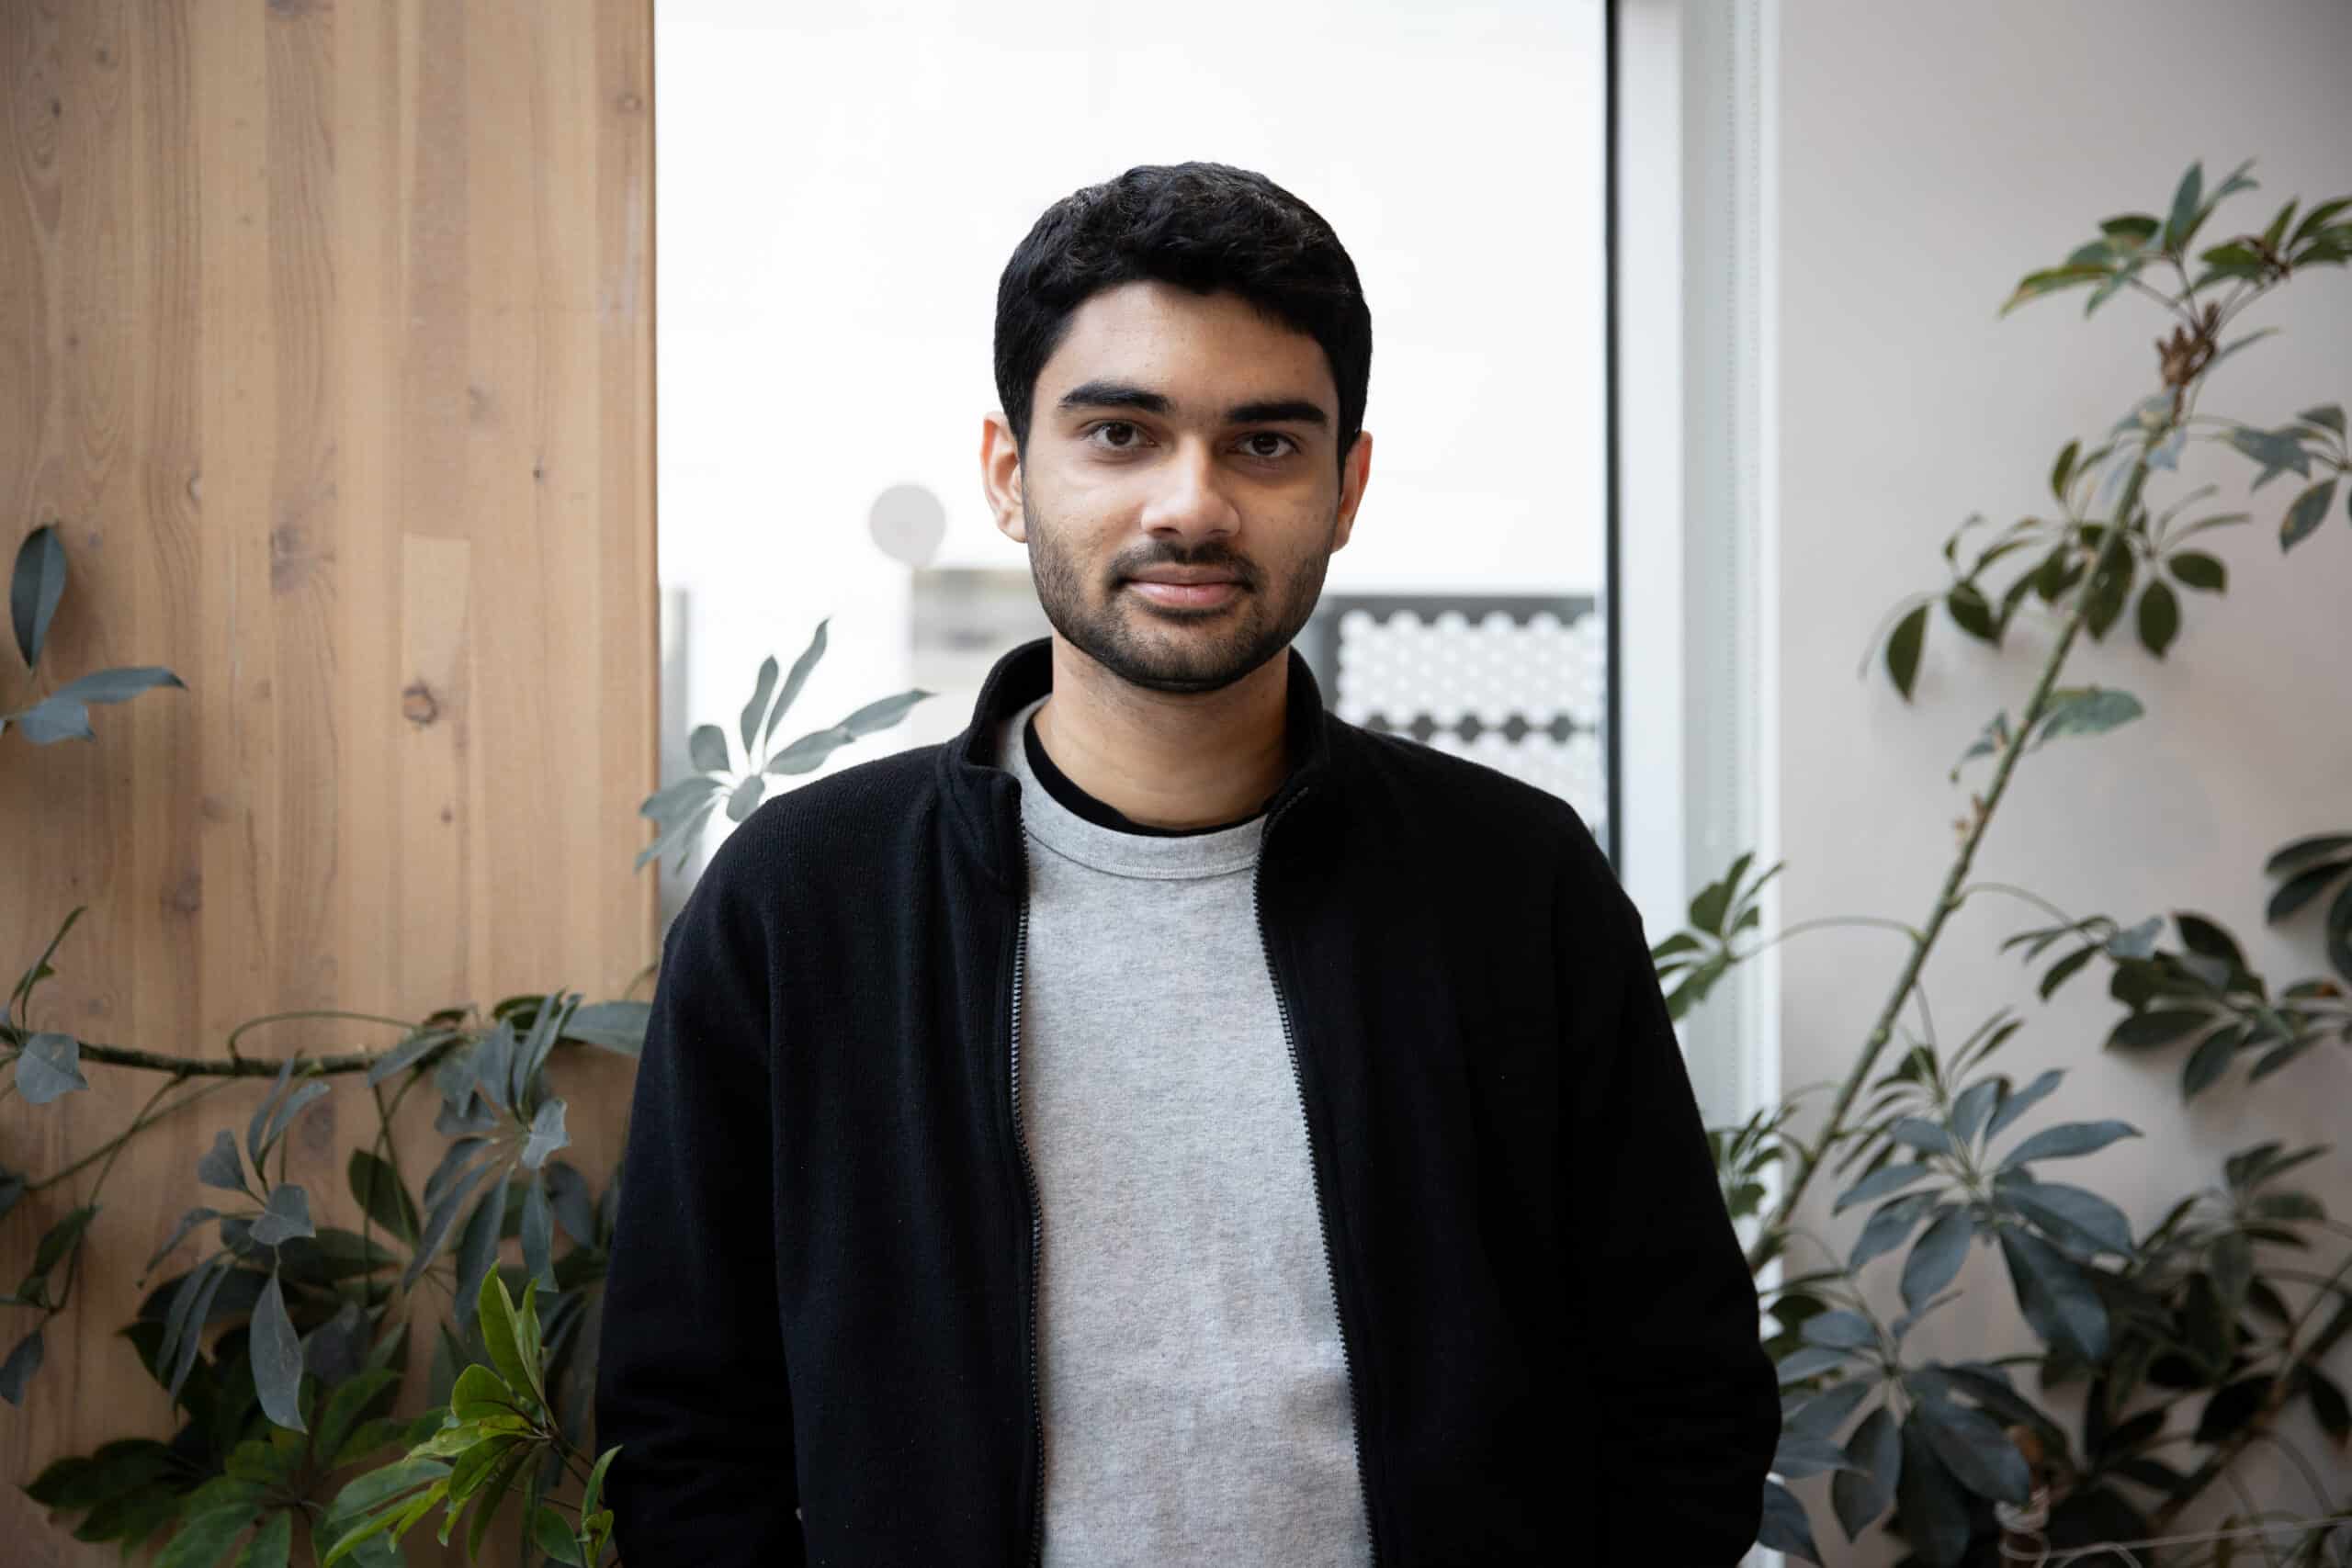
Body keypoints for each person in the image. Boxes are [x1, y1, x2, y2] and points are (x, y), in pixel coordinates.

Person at [594, 161, 1780, 1567]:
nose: (1193, 505)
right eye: (1120, 434)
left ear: (1347, 487)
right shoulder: (803, 904)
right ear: (1007, 473)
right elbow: (683, 1435)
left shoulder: (1513, 886)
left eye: (1265, 445)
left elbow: (1681, 1387)